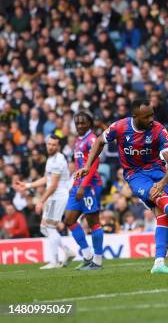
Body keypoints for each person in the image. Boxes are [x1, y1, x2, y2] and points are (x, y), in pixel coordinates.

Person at [75, 99, 168, 274]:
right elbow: (99, 141)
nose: (151, 119)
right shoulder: (121, 127)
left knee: (163, 214)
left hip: (158, 171)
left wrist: (162, 182)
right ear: (135, 116)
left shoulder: (158, 129)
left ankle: (159, 263)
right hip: (135, 174)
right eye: (147, 116)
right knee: (158, 197)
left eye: (152, 114)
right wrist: (87, 166)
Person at [13, 135, 76, 269]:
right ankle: (66, 251)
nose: (50, 146)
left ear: (58, 146)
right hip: (53, 196)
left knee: (49, 228)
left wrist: (41, 201)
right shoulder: (50, 159)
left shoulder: (58, 160)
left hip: (57, 196)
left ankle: (54, 262)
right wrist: (28, 185)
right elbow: (46, 179)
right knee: (44, 227)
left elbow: (53, 185)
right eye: (49, 144)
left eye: (53, 144)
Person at [64, 111, 105, 271]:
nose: (80, 125)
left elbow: (94, 163)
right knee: (69, 219)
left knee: (93, 222)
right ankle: (87, 256)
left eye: (83, 123)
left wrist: (83, 186)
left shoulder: (92, 139)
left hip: (90, 186)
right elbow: (78, 163)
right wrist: (75, 184)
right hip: (78, 185)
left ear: (90, 124)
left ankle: (98, 261)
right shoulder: (78, 140)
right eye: (77, 123)